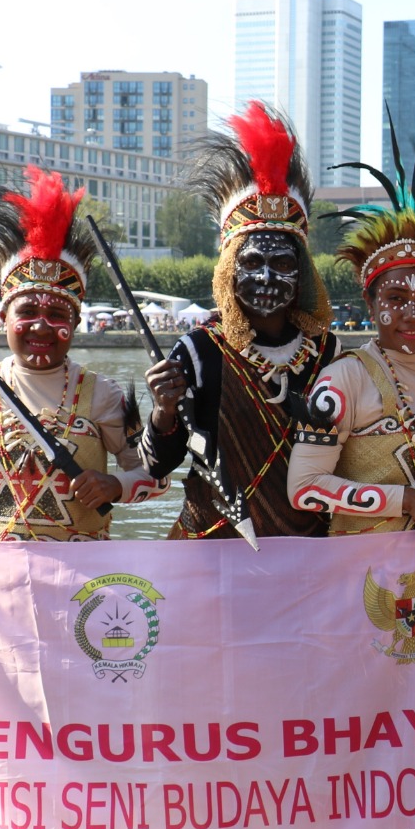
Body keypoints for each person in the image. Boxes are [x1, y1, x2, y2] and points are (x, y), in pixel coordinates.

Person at [0, 166, 169, 796]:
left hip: (78, 578)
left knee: (76, 688)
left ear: (75, 320)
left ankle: (82, 789)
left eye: (56, 313)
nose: (41, 326)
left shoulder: (102, 397)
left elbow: (147, 475)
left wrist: (116, 488)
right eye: (27, 312)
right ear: (2, 315)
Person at [141, 101, 337, 542]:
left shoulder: (329, 352)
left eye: (282, 262)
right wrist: (163, 411)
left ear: (302, 272)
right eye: (253, 263)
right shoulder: (197, 350)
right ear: (230, 270)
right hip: (213, 547)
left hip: (310, 553)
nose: (267, 277)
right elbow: (155, 465)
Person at [287, 146, 415, 537]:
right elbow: (303, 489)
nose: (412, 314)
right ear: (370, 303)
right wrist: (405, 500)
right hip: (361, 580)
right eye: (396, 299)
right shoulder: (344, 379)